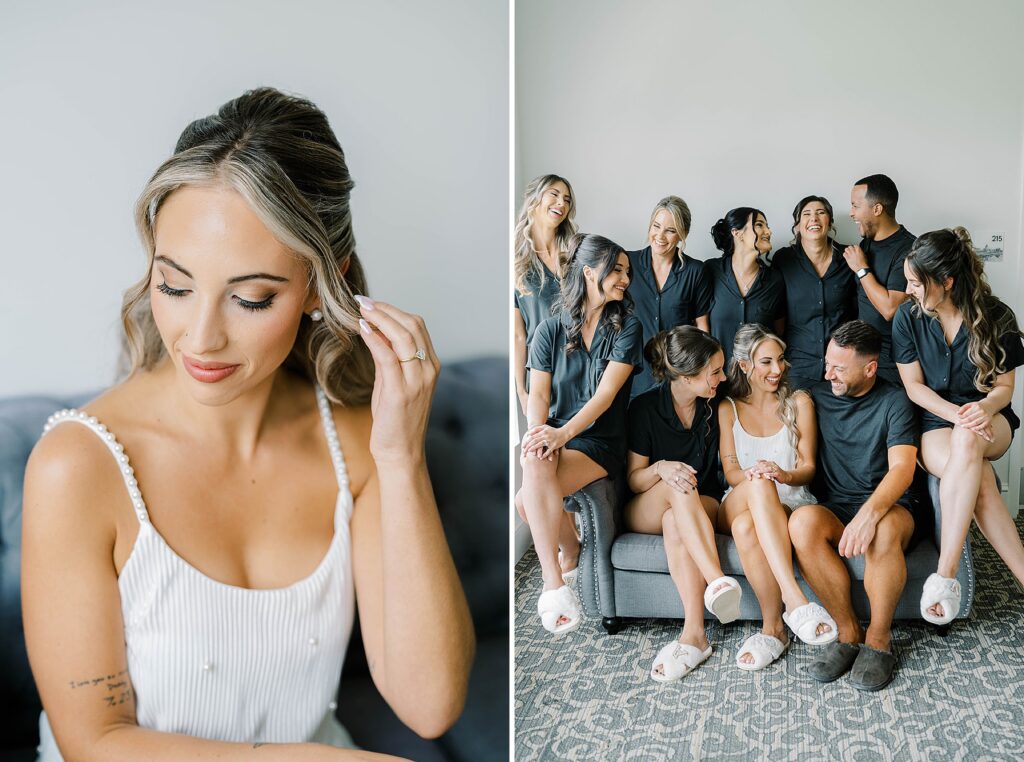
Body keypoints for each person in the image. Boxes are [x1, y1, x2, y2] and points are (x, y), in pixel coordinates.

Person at [21, 88, 473, 761]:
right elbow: (93, 741)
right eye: (174, 285)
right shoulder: (76, 467)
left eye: (251, 297)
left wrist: (401, 456)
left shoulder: (355, 442)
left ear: (322, 287)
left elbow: (429, 702)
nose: (200, 337)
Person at [893, 227, 1024, 624]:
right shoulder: (907, 317)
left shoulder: (997, 314)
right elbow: (914, 387)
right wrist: (958, 415)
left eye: (917, 282)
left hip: (991, 419)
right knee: (979, 478)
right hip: (936, 421)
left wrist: (981, 408)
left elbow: (1004, 389)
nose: (909, 289)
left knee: (969, 439)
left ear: (946, 282)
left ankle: (945, 575)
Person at [516, 233, 643, 636]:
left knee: (525, 501)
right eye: (617, 269)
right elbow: (538, 393)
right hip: (556, 433)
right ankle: (560, 570)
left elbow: (606, 395)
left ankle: (558, 574)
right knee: (533, 466)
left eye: (627, 271)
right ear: (590, 272)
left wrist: (561, 435)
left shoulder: (628, 327)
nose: (625, 278)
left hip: (600, 440)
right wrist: (540, 433)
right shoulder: (549, 330)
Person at [789, 321, 919, 692]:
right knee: (802, 523)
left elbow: (902, 468)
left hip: (892, 507)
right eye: (828, 363)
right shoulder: (814, 395)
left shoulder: (894, 400)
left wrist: (869, 514)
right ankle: (848, 634)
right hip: (836, 505)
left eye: (839, 368)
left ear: (870, 368)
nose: (828, 373)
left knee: (884, 529)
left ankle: (879, 640)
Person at [717, 324, 837, 672]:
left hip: (790, 501)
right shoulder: (729, 408)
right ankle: (794, 598)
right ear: (744, 366)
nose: (777, 369)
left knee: (745, 528)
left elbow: (808, 467)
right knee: (755, 486)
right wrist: (759, 476)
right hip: (738, 497)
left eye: (781, 360)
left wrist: (782, 474)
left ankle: (774, 629)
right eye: (766, 362)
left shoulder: (799, 402)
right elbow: (732, 472)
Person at [622, 326, 729, 681]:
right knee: (677, 484)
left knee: (676, 518)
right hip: (647, 504)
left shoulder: (715, 405)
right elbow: (634, 480)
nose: (722, 377)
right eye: (714, 372)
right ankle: (717, 581)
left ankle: (695, 635)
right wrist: (661, 467)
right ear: (686, 376)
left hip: (700, 503)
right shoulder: (645, 408)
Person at [626, 196, 713, 399]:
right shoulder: (628, 263)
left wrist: (700, 369)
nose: (660, 236)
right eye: (656, 226)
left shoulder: (695, 271)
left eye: (670, 230)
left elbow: (702, 328)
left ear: (682, 235)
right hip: (633, 370)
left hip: (678, 373)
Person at [772, 195, 857, 390]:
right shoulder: (784, 259)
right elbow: (777, 312)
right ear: (798, 224)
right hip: (798, 365)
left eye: (821, 213)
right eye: (807, 214)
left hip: (842, 364)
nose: (814, 219)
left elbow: (859, 312)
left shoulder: (849, 257)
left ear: (830, 221)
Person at [513, 174, 579, 415]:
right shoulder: (515, 262)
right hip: (542, 371)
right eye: (554, 194)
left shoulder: (575, 254)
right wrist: (521, 390)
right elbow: (518, 336)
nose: (561, 203)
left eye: (567, 199)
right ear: (535, 198)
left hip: (581, 364)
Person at [843, 174, 915, 385]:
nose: (851, 213)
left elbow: (889, 309)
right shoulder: (865, 245)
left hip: (895, 363)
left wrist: (862, 269)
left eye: (855, 206)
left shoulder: (910, 250)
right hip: (863, 357)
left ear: (877, 209)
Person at [706, 208, 785, 366]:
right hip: (717, 378)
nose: (768, 231)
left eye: (767, 226)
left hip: (758, 379)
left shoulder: (775, 280)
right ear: (737, 233)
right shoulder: (710, 271)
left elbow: (779, 331)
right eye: (759, 225)